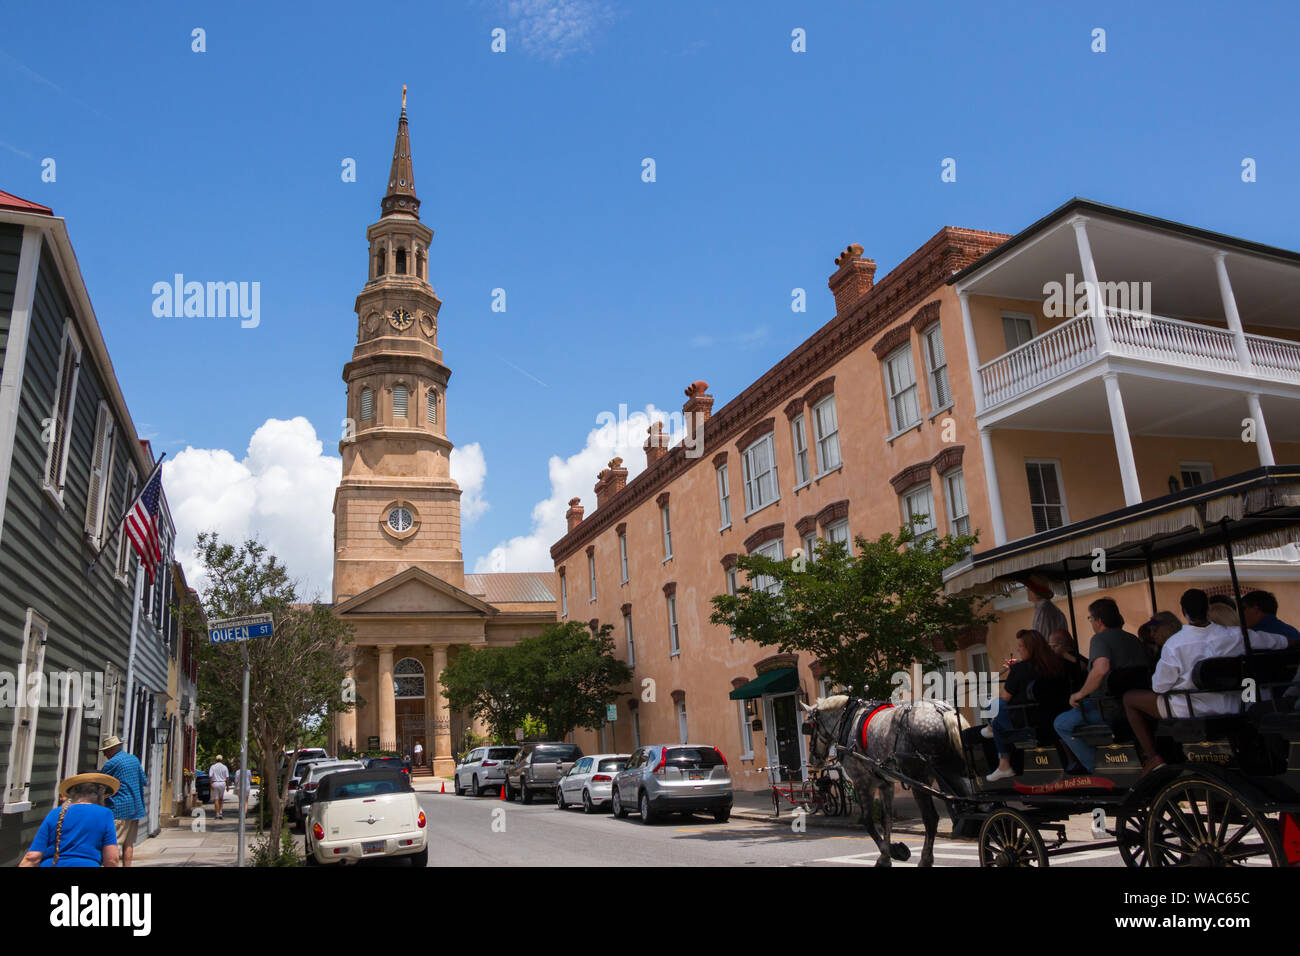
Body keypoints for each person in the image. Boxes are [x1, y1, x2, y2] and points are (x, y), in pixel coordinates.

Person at [1124, 589, 1292, 773]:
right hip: (1238, 703)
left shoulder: (1175, 643)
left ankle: (1153, 756)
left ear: (1184, 612)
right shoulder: (1237, 635)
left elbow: (1159, 686)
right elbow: (1281, 643)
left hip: (1194, 706)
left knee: (1129, 699)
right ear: (1207, 609)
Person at [1053, 597, 1150, 774]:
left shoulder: (1100, 639)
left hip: (1108, 708)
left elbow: (1100, 669)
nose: (1091, 622)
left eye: (1090, 619)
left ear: (1098, 620)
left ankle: (1095, 768)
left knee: (1061, 723)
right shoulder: (1132, 639)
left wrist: (1079, 694)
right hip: (1135, 706)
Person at [981, 629, 1068, 781]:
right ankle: (994, 733)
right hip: (1053, 717)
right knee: (999, 717)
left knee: (993, 704)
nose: (1018, 650)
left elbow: (1005, 697)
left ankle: (1002, 761)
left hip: (1028, 722)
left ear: (1030, 648)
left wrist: (1012, 672)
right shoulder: (1055, 665)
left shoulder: (1020, 669)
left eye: (1021, 646)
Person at [20, 773, 120, 868]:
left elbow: (32, 857)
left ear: (72, 794)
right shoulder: (104, 814)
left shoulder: (55, 813)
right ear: (100, 795)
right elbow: (111, 859)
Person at [100, 735, 148, 867]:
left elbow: (102, 784)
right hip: (136, 807)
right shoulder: (134, 759)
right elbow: (143, 781)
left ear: (111, 750)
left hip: (119, 808)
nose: (104, 754)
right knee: (129, 843)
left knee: (113, 844)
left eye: (105, 751)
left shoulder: (112, 763)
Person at [1026, 574, 1071, 647]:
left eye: (1029, 587)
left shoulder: (1044, 610)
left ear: (1036, 591)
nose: (1027, 590)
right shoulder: (1046, 608)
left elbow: (1042, 641)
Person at [1048, 629, 1089, 694]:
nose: (1051, 650)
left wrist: (1065, 654)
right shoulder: (1080, 658)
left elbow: (1084, 667)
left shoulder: (1063, 662)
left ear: (1062, 645)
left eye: (1054, 646)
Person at [209, 754, 230, 820]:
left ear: (216, 760)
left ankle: (217, 814)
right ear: (221, 760)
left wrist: (211, 784)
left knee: (216, 799)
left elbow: (210, 776)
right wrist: (227, 786)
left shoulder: (213, 767)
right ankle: (220, 812)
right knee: (221, 799)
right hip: (222, 783)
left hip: (215, 783)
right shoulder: (224, 767)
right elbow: (227, 777)